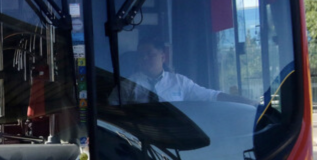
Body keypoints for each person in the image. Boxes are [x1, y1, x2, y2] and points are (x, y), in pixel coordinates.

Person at [109, 37, 255, 105]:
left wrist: (245, 102)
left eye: (150, 54)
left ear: (163, 57)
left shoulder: (179, 82)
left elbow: (212, 96)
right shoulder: (127, 85)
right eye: (141, 55)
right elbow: (112, 113)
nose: (145, 59)